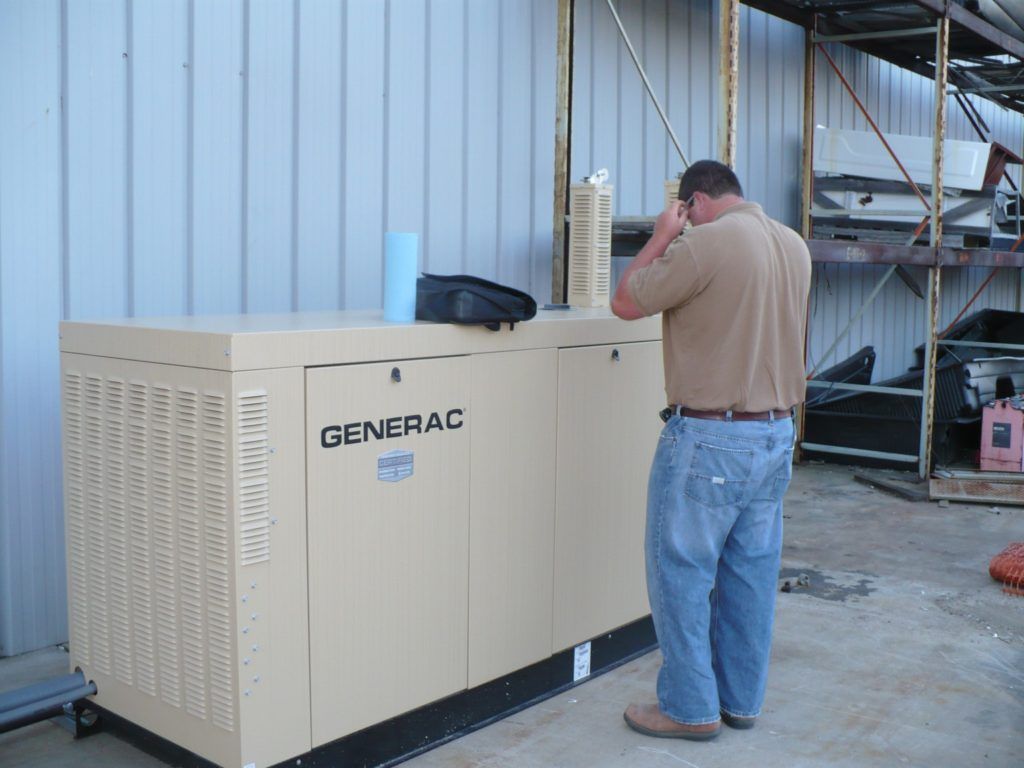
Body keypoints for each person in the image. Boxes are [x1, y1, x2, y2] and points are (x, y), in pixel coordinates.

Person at [611, 160, 811, 741]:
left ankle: (689, 708)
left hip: (711, 437)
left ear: (694, 202)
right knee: (750, 575)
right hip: (775, 434)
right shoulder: (793, 245)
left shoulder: (705, 244)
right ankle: (740, 702)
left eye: (685, 212)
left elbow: (626, 302)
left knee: (681, 571)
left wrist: (662, 235)